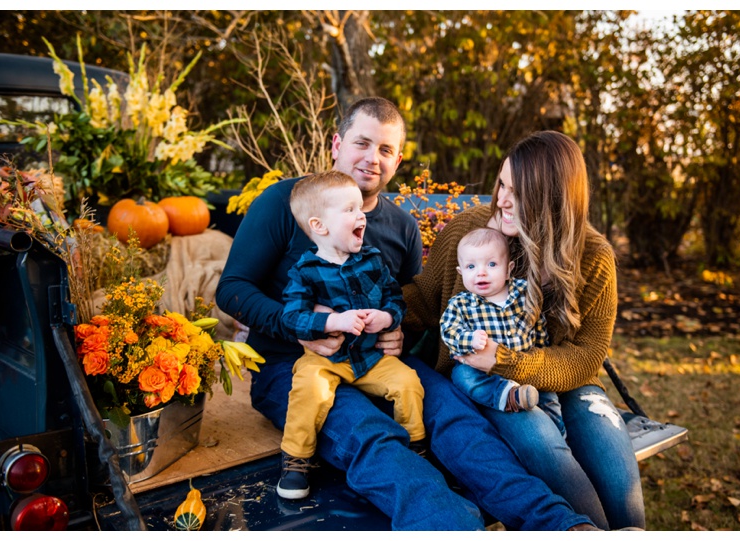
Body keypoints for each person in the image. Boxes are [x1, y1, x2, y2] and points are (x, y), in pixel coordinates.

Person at [217, 97, 596, 530]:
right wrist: (299, 325)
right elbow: (232, 289)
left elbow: (410, 305)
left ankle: (559, 524)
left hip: (379, 361)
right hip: (293, 366)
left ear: (398, 159)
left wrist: (397, 329)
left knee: (456, 419)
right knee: (371, 435)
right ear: (337, 143)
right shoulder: (288, 202)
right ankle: (452, 526)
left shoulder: (401, 226)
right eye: (362, 143)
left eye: (385, 150)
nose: (371, 159)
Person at [402, 130, 645, 530]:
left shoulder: (593, 255)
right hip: (492, 385)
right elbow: (422, 301)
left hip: (569, 384)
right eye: (502, 185)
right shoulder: (471, 232)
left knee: (622, 491)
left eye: (518, 191)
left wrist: (508, 359)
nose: (501, 199)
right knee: (541, 442)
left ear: (554, 197)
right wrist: (367, 314)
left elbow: (587, 356)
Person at [276, 170, 425, 500]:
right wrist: (333, 322)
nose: (361, 216)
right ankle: (296, 458)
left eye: (360, 209)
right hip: (326, 360)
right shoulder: (305, 271)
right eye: (349, 210)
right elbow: (292, 317)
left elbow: (394, 297)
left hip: (371, 358)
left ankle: (417, 445)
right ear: (320, 227)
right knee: (307, 389)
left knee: (408, 383)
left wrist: (386, 316)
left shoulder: (372, 260)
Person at [440, 227, 544, 413]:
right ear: (461, 272)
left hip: (525, 366)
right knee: (462, 376)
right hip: (483, 373)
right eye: (471, 267)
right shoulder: (461, 304)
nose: (481, 273)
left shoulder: (524, 293)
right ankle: (506, 397)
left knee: (548, 397)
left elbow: (538, 322)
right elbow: (448, 330)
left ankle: (558, 427)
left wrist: (542, 349)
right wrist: (469, 339)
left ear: (508, 269)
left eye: (492, 264)